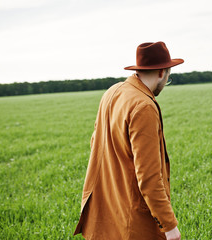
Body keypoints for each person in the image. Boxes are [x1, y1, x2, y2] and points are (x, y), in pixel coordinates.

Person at [73, 41, 184, 240]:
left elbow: (95, 143)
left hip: (104, 215)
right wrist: (169, 226)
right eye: (168, 76)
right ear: (162, 72)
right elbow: (149, 177)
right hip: (132, 224)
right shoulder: (144, 106)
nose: (166, 80)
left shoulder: (112, 92)